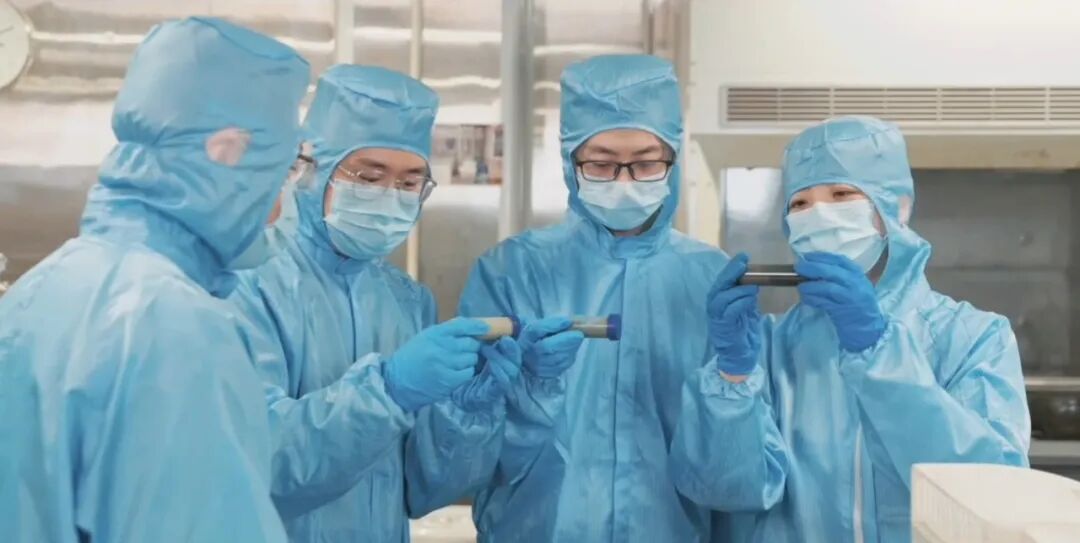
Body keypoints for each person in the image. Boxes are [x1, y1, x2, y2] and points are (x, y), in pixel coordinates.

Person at [0, 17, 308, 542]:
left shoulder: (42, 288)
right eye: (280, 175)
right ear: (227, 150)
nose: (279, 208)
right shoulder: (174, 328)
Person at [669, 116, 1031, 542]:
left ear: (896, 208)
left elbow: (989, 492)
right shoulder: (769, 347)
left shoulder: (972, 338)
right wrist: (732, 377)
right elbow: (725, 492)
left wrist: (878, 352)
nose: (819, 214)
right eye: (800, 204)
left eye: (841, 194)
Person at [229, 64, 518, 543]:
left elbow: (421, 492)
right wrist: (387, 392)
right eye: (368, 176)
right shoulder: (245, 285)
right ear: (311, 168)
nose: (388, 196)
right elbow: (255, 465)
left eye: (408, 183)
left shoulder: (406, 300)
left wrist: (466, 413)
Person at [458, 55, 730, 542]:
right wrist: (527, 390)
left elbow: (734, 464)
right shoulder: (513, 270)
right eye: (601, 164)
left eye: (646, 163)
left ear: (673, 160)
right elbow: (465, 445)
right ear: (571, 162)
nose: (624, 182)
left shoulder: (711, 277)